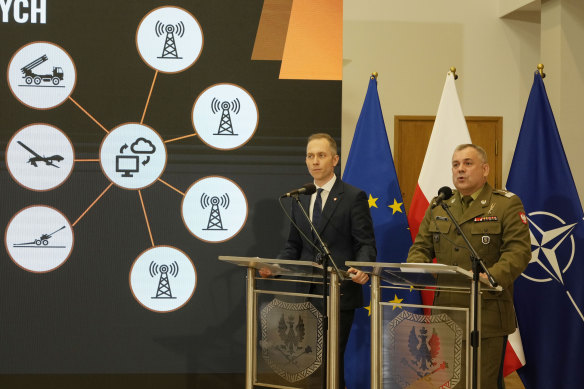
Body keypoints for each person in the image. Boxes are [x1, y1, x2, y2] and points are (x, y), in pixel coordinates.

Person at [406, 144, 531, 388]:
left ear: (484, 169)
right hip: (447, 315)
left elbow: (519, 251)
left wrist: (491, 276)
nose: (460, 170)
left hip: (487, 312)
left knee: (481, 382)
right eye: (455, 165)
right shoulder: (441, 205)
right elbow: (421, 248)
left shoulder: (505, 204)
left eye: (467, 163)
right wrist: (415, 268)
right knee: (450, 382)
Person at [261, 133, 376, 388]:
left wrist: (362, 266)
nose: (315, 161)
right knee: (310, 362)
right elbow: (294, 244)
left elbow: (365, 243)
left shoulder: (352, 196)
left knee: (332, 362)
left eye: (321, 155)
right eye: (310, 156)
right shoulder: (300, 197)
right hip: (306, 294)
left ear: (334, 160)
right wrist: (276, 267)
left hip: (339, 292)